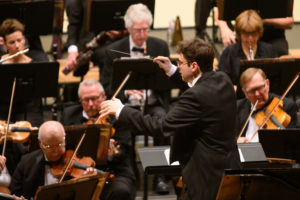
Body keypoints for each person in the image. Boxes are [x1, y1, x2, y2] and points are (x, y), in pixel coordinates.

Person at [100, 38, 241, 200]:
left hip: (205, 175)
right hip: (228, 168)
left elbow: (162, 126)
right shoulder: (223, 80)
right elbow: (199, 85)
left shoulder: (195, 96)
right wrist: (172, 70)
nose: (178, 65)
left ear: (194, 66)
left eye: (180, 63)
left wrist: (122, 111)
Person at [101, 3, 171, 194]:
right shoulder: (113, 50)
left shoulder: (160, 45)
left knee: (163, 121)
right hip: (125, 105)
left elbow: (167, 82)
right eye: (138, 30)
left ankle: (159, 176)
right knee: (122, 127)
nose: (142, 34)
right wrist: (126, 93)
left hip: (153, 102)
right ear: (129, 29)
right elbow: (106, 84)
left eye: (145, 29)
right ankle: (131, 175)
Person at [61, 79, 136, 200]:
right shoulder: (69, 115)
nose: (91, 104)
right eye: (86, 100)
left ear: (103, 96)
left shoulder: (117, 115)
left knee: (120, 191)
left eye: (95, 98)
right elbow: (65, 146)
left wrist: (110, 152)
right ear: (80, 100)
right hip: (78, 169)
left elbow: (123, 148)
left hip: (113, 171)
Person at [9, 121, 97, 199]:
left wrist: (88, 182)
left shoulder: (76, 159)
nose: (55, 151)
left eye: (59, 144)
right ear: (40, 143)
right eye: (49, 146)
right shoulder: (26, 162)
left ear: (64, 138)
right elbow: (14, 192)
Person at [218, 10, 278, 90]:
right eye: (246, 34)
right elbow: (222, 82)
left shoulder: (269, 50)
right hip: (238, 100)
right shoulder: (229, 52)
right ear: (239, 33)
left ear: (259, 32)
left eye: (254, 33)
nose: (250, 38)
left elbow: (275, 79)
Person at [0, 18, 44, 127]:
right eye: (12, 42)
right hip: (3, 111)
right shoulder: (1, 63)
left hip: (28, 111)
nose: (17, 46)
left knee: (21, 134)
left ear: (24, 40)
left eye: (19, 40)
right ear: (4, 44)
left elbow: (37, 100)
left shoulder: (33, 65)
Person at [237, 68, 298, 143]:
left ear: (267, 84)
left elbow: (293, 144)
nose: (257, 94)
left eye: (260, 88)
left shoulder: (287, 106)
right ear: (245, 93)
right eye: (252, 91)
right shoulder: (237, 107)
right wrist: (235, 141)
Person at [215, 5, 294, 56]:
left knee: (279, 52)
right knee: (230, 53)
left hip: (272, 36)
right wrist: (223, 27)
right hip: (244, 33)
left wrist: (261, 19)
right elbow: (219, 10)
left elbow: (290, 22)